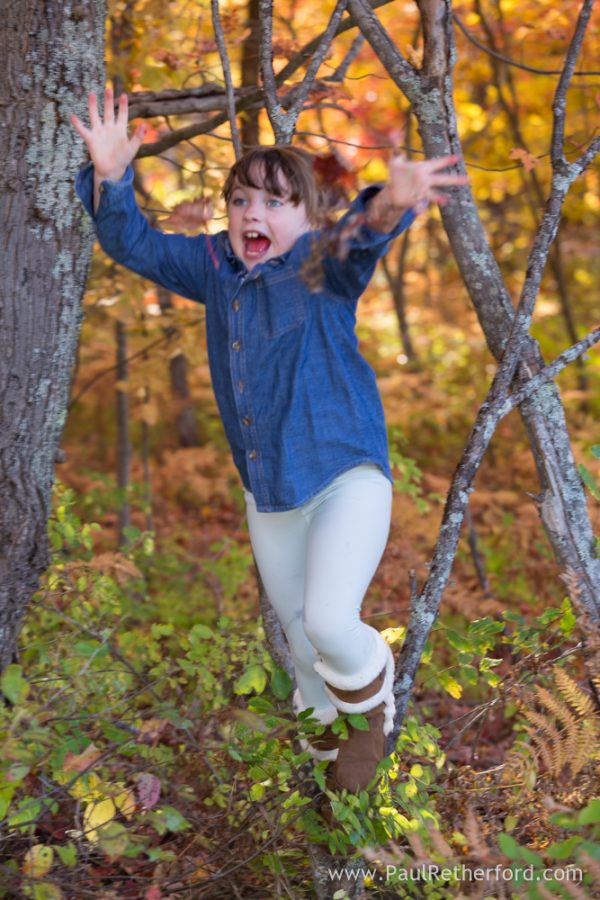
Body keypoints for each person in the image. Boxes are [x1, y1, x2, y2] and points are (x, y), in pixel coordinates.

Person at [71, 87, 468, 796]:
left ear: (308, 218)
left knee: (329, 622)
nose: (253, 213)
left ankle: (371, 704)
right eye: (241, 199)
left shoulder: (319, 263)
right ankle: (336, 794)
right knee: (301, 648)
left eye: (275, 202)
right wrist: (111, 175)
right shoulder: (212, 267)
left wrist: (390, 202)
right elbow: (131, 242)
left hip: (344, 474)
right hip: (271, 494)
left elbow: (362, 236)